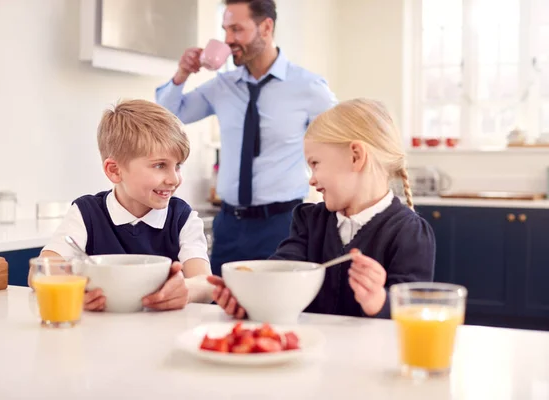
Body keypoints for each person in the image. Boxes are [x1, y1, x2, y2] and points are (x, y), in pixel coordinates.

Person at [207, 99, 436, 319]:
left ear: (356, 156)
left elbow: (413, 313)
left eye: (315, 164)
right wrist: (248, 299)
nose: (312, 180)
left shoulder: (410, 233)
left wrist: (379, 301)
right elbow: (281, 274)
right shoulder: (308, 220)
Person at [156, 0, 337, 276]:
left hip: (285, 225)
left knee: (278, 310)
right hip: (230, 225)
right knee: (219, 309)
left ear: (266, 27)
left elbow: (339, 145)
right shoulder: (223, 86)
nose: (228, 40)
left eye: (237, 30)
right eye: (225, 30)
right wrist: (182, 74)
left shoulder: (310, 88)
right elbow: (167, 114)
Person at [32, 100, 213, 311]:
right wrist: (74, 290)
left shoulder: (183, 218)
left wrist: (187, 290)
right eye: (160, 165)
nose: (174, 179)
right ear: (114, 171)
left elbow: (206, 284)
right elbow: (41, 271)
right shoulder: (86, 213)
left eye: (178, 166)